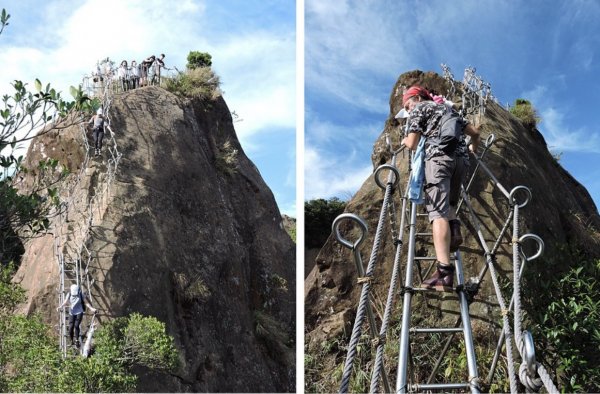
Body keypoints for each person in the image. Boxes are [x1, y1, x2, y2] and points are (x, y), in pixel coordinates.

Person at [401, 85, 480, 291]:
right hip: (461, 161)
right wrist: (473, 148)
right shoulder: (447, 109)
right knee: (450, 203)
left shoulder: (420, 109)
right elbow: (475, 132)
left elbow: (411, 144)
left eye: (408, 105)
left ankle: (444, 273)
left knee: (438, 213)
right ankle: (454, 234)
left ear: (417, 98)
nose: (409, 110)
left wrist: (404, 139)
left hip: (438, 159)